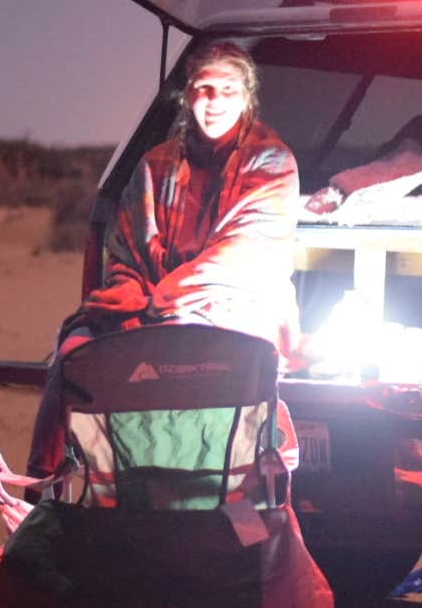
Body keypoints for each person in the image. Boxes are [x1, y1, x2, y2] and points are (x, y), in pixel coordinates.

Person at [27, 41, 300, 484]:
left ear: (247, 96)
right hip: (151, 301)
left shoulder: (272, 162)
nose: (213, 102)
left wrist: (169, 299)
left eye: (227, 90)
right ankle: (45, 482)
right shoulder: (154, 164)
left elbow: (243, 254)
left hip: (235, 305)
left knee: (179, 352)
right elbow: (126, 249)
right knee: (76, 349)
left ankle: (198, 483)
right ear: (187, 94)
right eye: (203, 88)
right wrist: (132, 290)